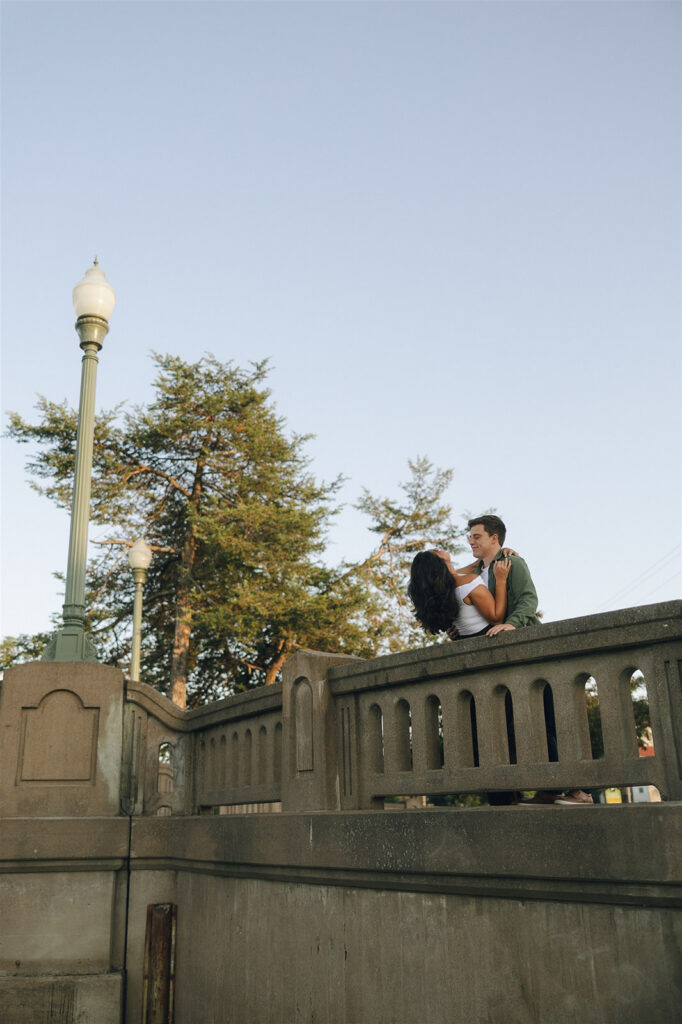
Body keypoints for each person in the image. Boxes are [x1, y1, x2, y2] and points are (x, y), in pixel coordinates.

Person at [408, 514, 592, 806]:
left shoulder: (512, 563)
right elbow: (460, 588)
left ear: (494, 538)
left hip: (525, 651)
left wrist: (513, 623)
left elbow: (528, 602)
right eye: (470, 536)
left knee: (547, 719)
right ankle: (541, 789)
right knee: (514, 727)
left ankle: (575, 790)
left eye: (477, 536)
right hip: (497, 664)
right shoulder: (472, 575)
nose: (470, 541)